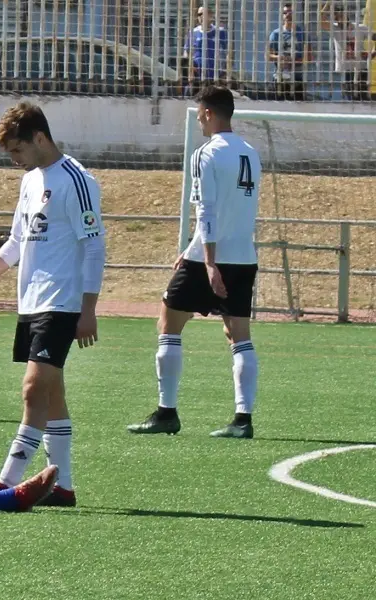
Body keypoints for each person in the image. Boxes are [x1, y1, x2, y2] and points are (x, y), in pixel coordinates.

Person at [0, 102, 106, 508]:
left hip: (63, 300)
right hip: (33, 300)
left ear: (39, 138)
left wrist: (88, 308)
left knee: (33, 389)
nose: (15, 160)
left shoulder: (77, 180)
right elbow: (17, 243)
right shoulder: (30, 180)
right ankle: (63, 486)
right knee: (52, 394)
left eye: (18, 151)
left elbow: (94, 246)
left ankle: (6, 482)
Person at [128, 86, 261, 440]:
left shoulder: (206, 154)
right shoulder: (250, 153)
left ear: (207, 113)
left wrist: (209, 262)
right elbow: (236, 212)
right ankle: (243, 420)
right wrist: (192, 248)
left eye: (200, 113)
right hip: (243, 256)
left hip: (211, 258)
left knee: (168, 323)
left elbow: (207, 210)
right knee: (239, 335)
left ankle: (166, 412)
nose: (199, 118)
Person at [320, 2, 374, 100]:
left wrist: (372, 54)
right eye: (336, 15)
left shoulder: (360, 28)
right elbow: (320, 21)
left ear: (347, 14)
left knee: (362, 99)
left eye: (341, 14)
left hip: (360, 69)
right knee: (349, 99)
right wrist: (328, 4)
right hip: (345, 71)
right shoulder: (335, 29)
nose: (339, 17)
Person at [267, 4, 311, 101]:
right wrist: (280, 58)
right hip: (279, 78)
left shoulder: (302, 34)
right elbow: (268, 55)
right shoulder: (276, 34)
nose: (288, 15)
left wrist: (294, 62)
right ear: (282, 16)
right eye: (285, 13)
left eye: (290, 13)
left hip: (297, 79)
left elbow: (309, 57)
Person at [184, 6, 229, 83]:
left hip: (216, 75)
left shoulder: (219, 32)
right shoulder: (193, 32)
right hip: (197, 74)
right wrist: (190, 69)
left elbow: (228, 51)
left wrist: (227, 71)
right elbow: (186, 52)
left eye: (203, 14)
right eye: (199, 14)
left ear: (211, 15)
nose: (200, 16)